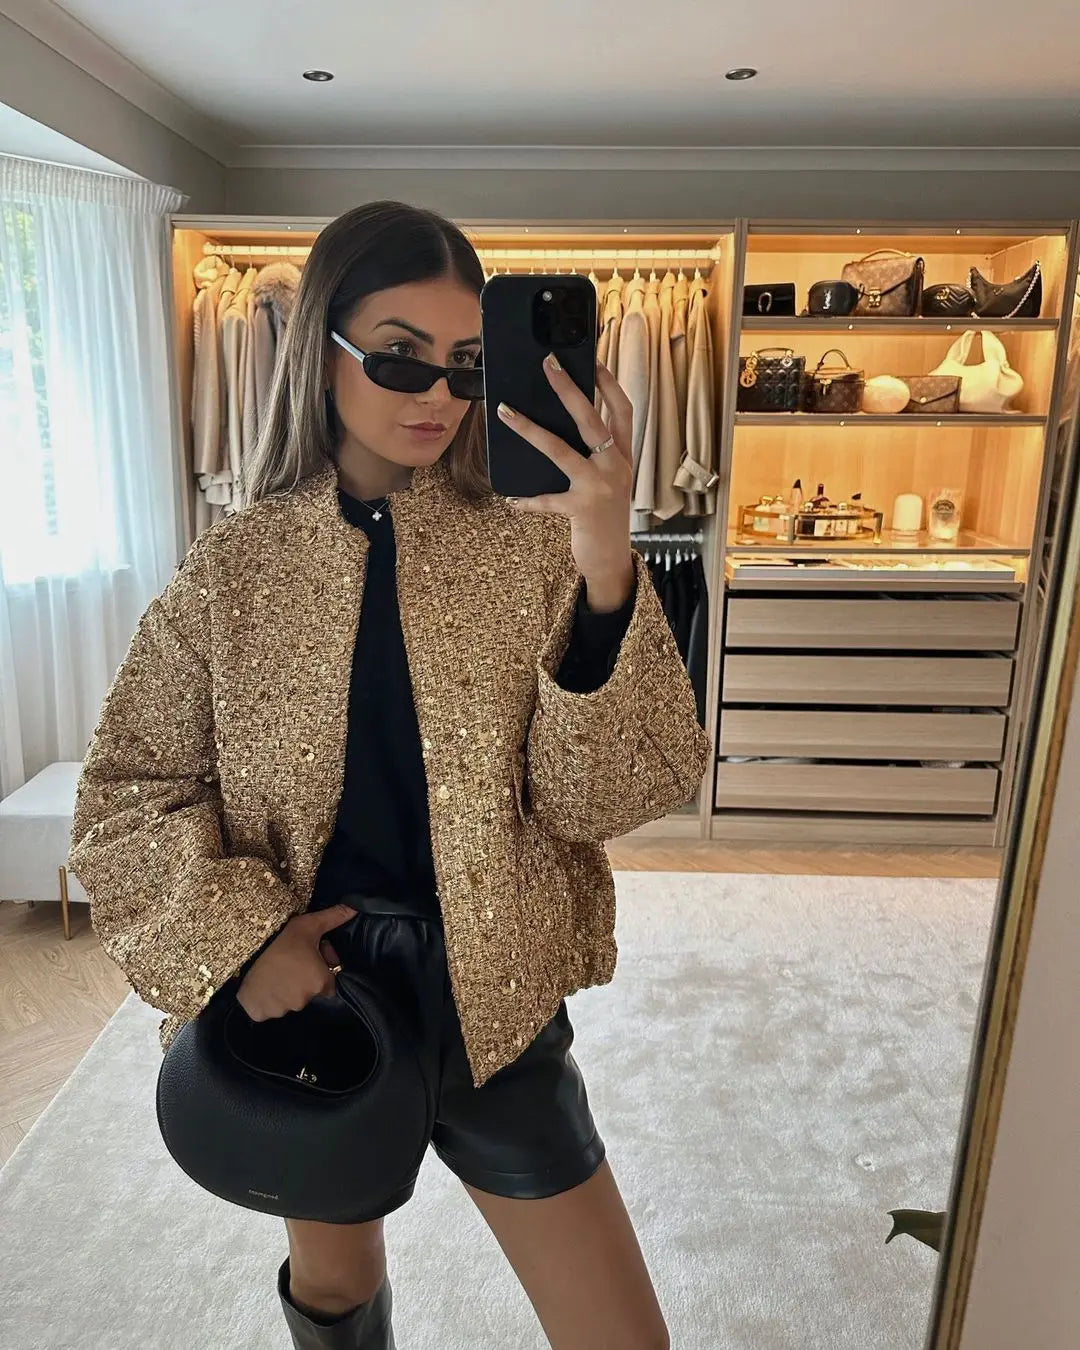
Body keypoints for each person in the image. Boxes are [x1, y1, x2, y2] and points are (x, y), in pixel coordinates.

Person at [69, 201, 709, 1350]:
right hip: (317, 993)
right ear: (323, 349)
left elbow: (600, 797)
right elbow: (128, 792)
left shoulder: (534, 543)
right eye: (400, 355)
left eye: (465, 365)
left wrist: (607, 560)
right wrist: (245, 943)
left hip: (499, 989)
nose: (436, 396)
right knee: (335, 1290)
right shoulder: (237, 568)